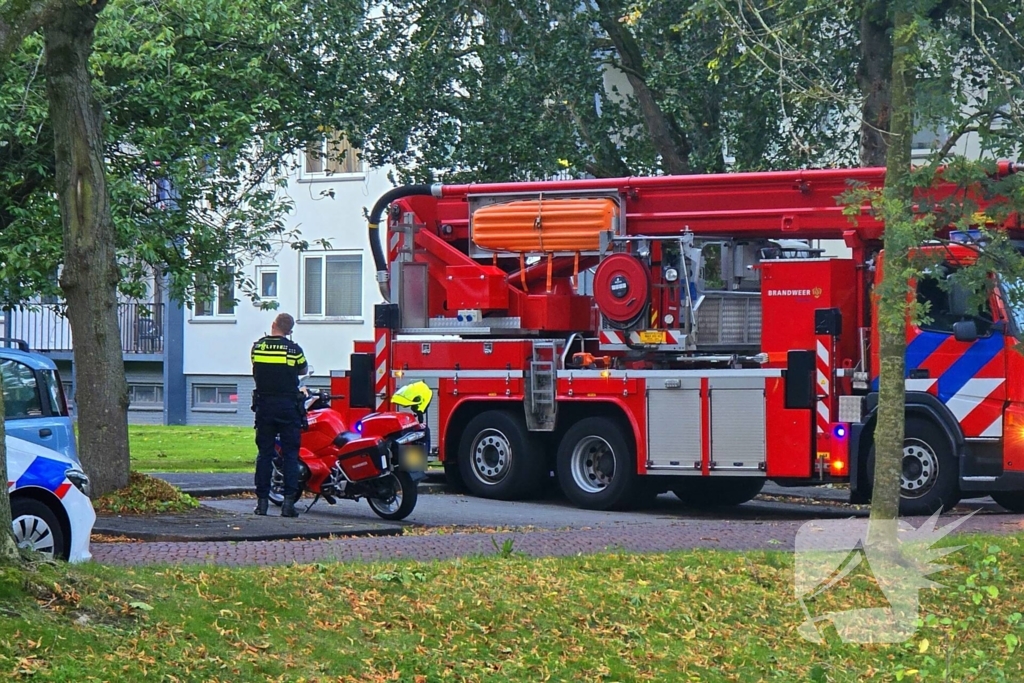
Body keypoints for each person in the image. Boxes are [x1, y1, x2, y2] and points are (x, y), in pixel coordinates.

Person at [251, 312, 307, 517]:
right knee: (291, 455)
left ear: (273, 324)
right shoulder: (294, 350)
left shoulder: (258, 347)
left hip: (265, 406)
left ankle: (262, 504)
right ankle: (288, 505)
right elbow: (302, 370)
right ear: (290, 331)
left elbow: (256, 369)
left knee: (265, 455)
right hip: (288, 407)